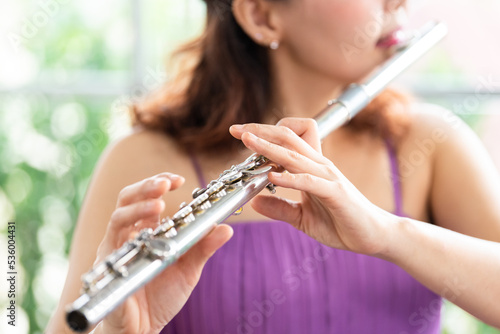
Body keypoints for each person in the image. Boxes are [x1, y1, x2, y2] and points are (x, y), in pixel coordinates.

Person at [46, 0, 500, 333]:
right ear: (261, 15)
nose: (399, 3)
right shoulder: (141, 161)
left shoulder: (431, 144)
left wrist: (389, 234)